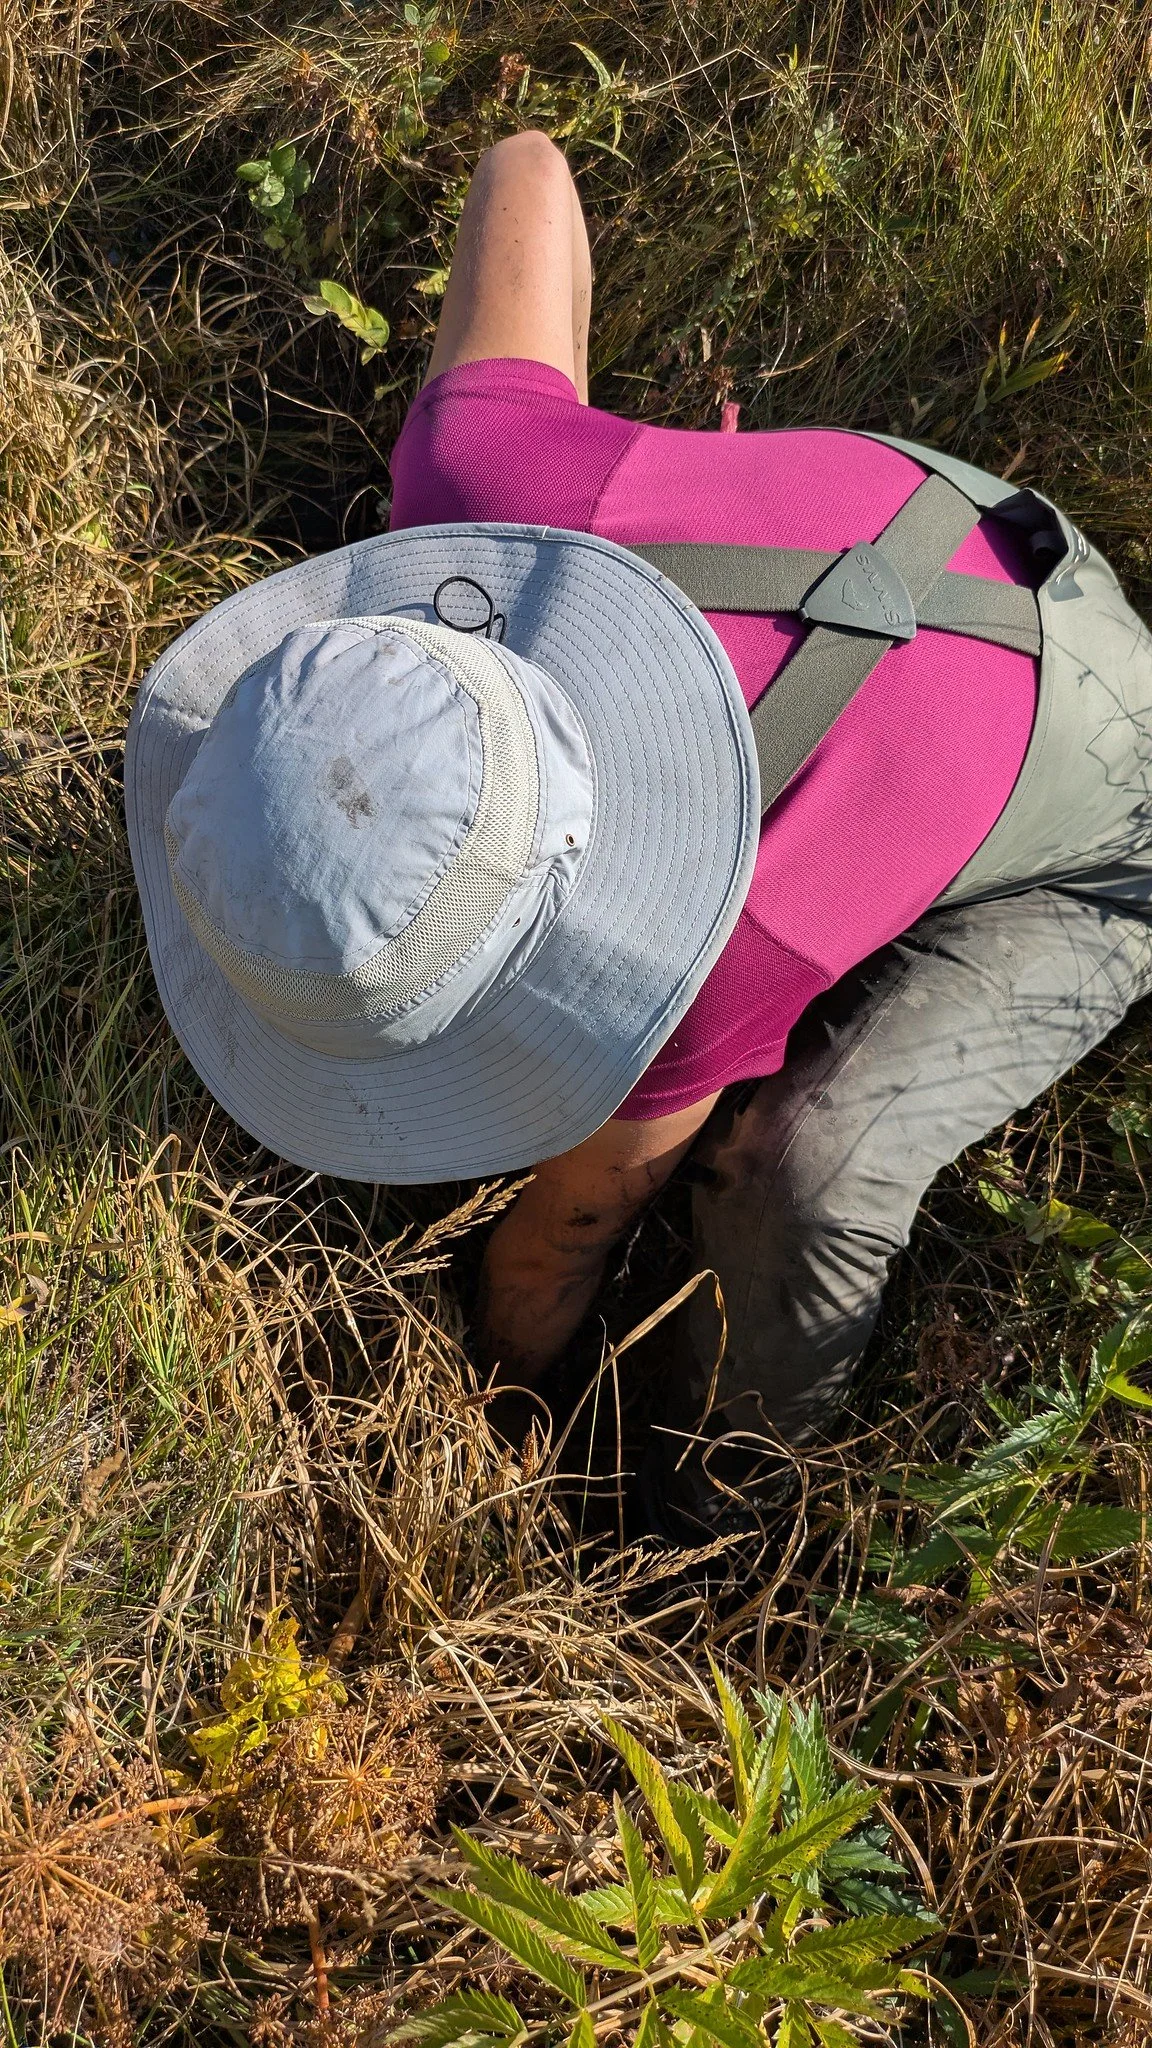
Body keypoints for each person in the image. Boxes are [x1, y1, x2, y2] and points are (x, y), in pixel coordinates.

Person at [126, 134, 1152, 1534]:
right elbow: (529, 167)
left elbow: (568, 1236)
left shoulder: (705, 953)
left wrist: (495, 1418)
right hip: (958, 527)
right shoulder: (480, 476)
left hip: (1110, 794)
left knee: (806, 1177)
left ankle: (718, 1510)